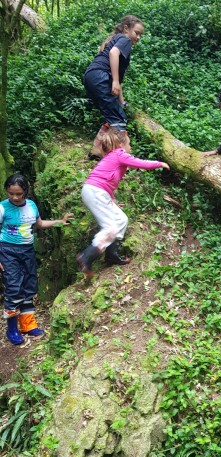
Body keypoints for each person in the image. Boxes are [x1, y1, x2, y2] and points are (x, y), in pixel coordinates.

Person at [76, 126, 169, 278]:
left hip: (96, 191)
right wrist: (159, 163)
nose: (130, 147)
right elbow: (140, 163)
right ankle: (87, 256)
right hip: (95, 191)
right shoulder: (119, 154)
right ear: (121, 145)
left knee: (121, 219)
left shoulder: (111, 157)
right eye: (129, 144)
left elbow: (107, 180)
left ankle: (111, 255)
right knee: (111, 227)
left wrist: (112, 201)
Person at [0, 174, 73, 345]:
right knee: (13, 287)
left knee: (29, 285)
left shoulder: (31, 205)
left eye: (19, 193)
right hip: (7, 251)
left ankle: (27, 324)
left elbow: (39, 224)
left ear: (25, 191)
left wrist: (59, 222)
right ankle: (12, 329)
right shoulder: (2, 208)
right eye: (11, 193)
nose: (15, 197)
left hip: (27, 251)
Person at [84, 15, 144, 153]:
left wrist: (121, 102)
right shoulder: (125, 39)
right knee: (118, 119)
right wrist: (115, 81)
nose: (138, 37)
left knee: (113, 115)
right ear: (126, 28)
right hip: (100, 77)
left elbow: (118, 77)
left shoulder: (116, 39)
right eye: (137, 33)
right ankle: (119, 159)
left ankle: (97, 151)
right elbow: (113, 53)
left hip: (92, 76)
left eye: (141, 34)